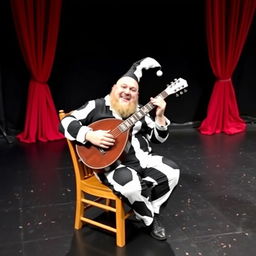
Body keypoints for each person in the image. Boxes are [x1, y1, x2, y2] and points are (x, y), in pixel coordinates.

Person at [59, 57, 180, 241]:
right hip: (113, 166)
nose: (127, 92)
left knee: (172, 171)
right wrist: (89, 135)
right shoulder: (96, 106)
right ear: (114, 88)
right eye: (123, 87)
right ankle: (150, 220)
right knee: (131, 186)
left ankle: (145, 206)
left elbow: (159, 139)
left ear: (138, 95)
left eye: (133, 90)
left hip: (143, 159)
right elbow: (66, 122)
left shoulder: (140, 110)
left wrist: (160, 115)